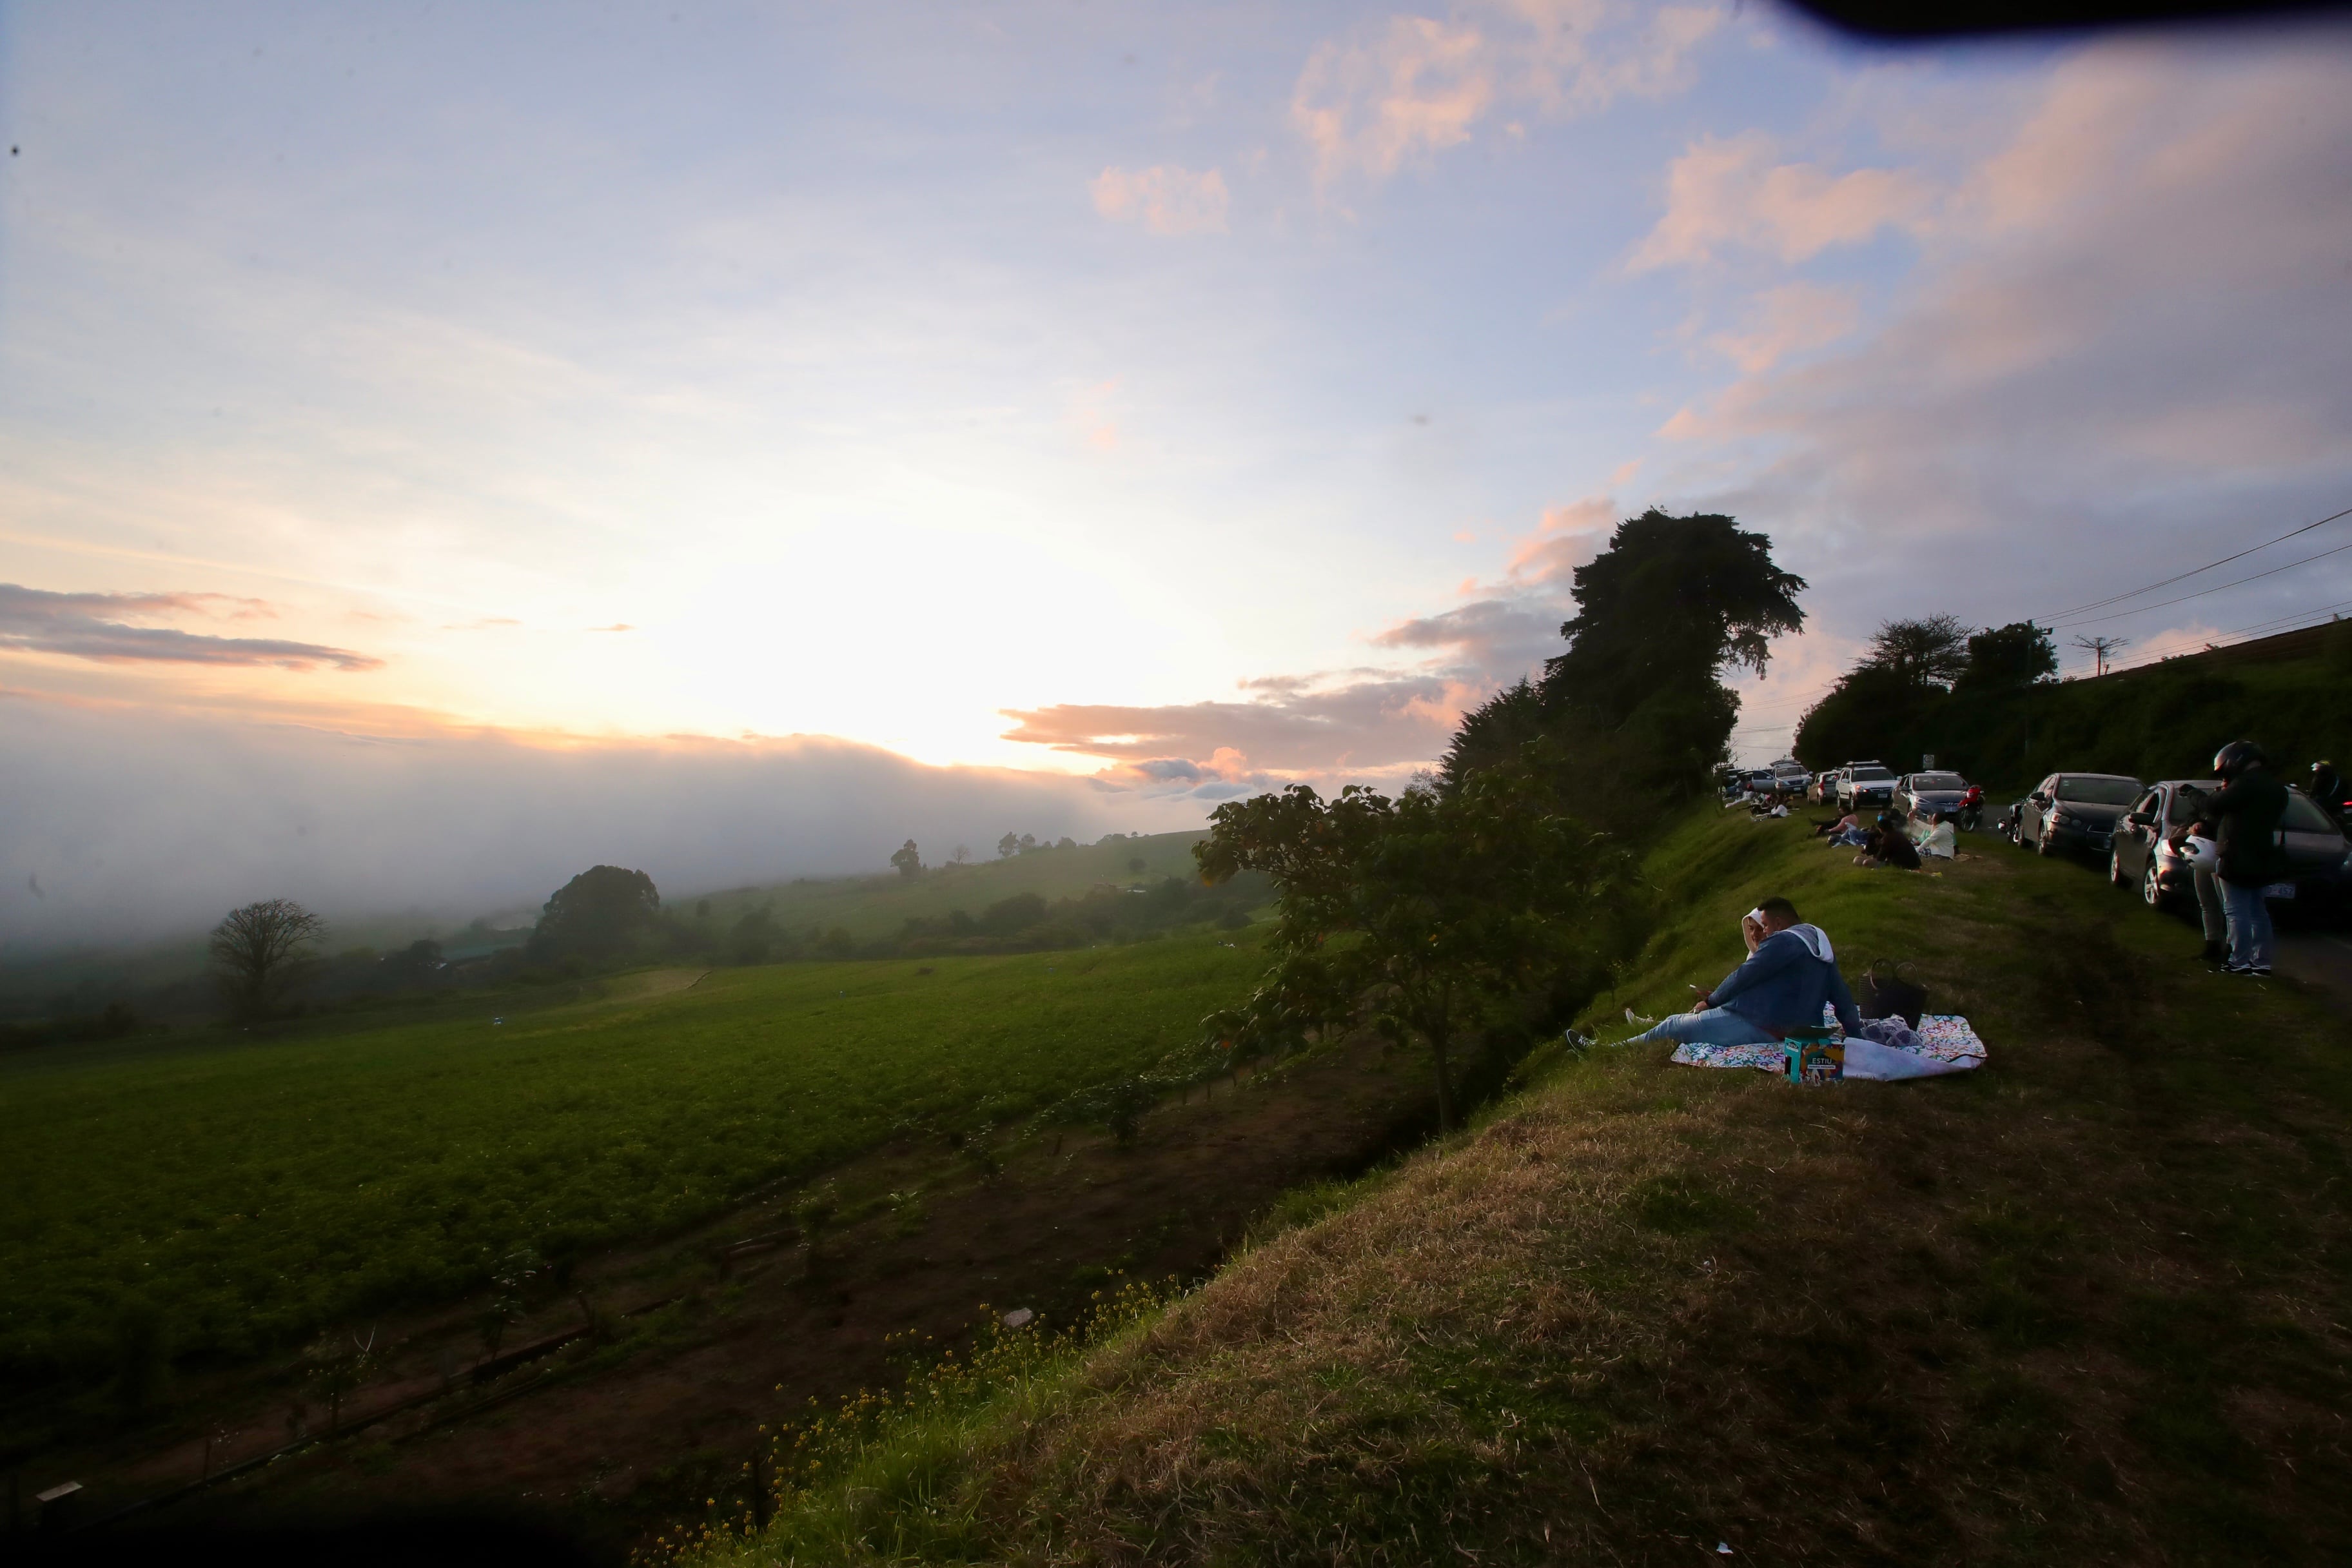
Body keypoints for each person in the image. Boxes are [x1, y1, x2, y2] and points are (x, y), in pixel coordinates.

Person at [1632, 897, 1862, 1048]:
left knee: (1674, 1026)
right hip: (1803, 1029)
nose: (1765, 932)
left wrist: (1711, 1001)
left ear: (1779, 924)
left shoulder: (1783, 941)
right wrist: (1856, 1038)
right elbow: (1842, 997)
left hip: (1766, 1025)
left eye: (1765, 925)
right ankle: (1640, 1033)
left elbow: (1744, 975)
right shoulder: (1818, 942)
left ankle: (1615, 1048)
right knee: (1677, 1021)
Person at [2206, 740, 2289, 977]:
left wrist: (2194, 795)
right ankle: (2261, 963)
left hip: (2237, 856)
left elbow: (2214, 805)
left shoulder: (2243, 786)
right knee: (2258, 912)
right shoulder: (2277, 788)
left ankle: (2239, 961)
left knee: (2235, 910)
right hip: (2263, 855)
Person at [2166, 786, 2230, 965]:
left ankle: (2230, 948)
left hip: (2221, 855)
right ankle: (2212, 944)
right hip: (2203, 853)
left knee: (2227, 906)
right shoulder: (2216, 797)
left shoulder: (2233, 800)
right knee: (2207, 903)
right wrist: (2195, 824)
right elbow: (2197, 813)